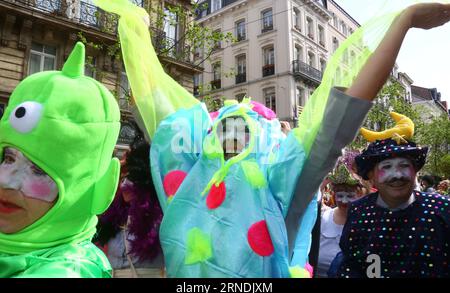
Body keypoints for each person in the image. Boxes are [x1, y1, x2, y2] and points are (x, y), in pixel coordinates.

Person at [96, 0, 450, 277]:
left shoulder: (282, 187)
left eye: (245, 130)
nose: (233, 138)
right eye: (225, 129)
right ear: (202, 142)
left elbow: (347, 111)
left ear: (266, 144)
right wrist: (135, 32)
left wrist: (403, 22)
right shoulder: (185, 182)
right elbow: (151, 95)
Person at [0, 42, 121, 277]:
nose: (6, 181)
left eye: (38, 170)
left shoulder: (70, 270)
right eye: (8, 158)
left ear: (93, 189)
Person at [336, 111, 450, 278]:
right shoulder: (358, 211)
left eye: (404, 165)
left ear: (415, 172)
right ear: (372, 176)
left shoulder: (442, 208)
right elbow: (352, 267)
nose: (397, 174)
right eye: (386, 167)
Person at [95, 135, 165, 278]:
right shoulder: (113, 215)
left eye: (132, 177)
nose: (125, 183)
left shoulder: (160, 216)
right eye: (123, 177)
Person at [317, 160, 364, 278]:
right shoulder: (324, 216)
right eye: (340, 195)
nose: (344, 201)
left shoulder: (366, 221)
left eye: (349, 196)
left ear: (359, 195)